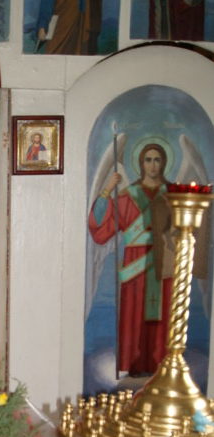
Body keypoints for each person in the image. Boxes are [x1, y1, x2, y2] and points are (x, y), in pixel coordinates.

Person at [87, 142, 208, 375]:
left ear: (164, 163)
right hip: (136, 265)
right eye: (148, 160)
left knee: (165, 314)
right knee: (134, 315)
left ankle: (163, 366)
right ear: (141, 163)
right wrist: (106, 190)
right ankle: (132, 364)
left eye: (157, 160)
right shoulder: (126, 196)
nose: (153, 165)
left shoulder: (173, 195)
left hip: (164, 263)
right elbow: (100, 226)